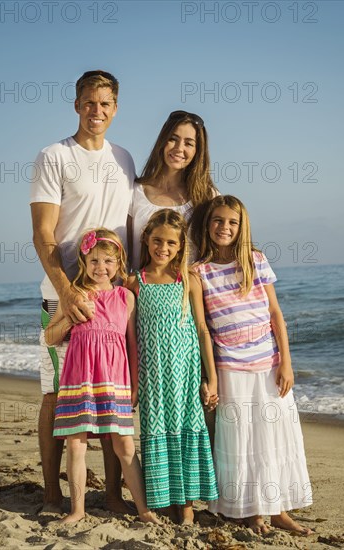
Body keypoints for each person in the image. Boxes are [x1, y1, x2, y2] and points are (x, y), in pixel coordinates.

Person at [30, 70, 135, 513]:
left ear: (115, 107)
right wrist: (67, 292)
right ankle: (53, 491)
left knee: (111, 395)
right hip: (63, 297)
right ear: (77, 105)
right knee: (57, 395)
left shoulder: (125, 158)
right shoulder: (54, 156)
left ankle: (111, 493)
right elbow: (43, 234)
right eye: (89, 102)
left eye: (106, 103)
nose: (97, 111)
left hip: (111, 299)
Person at [194, 195, 314, 535]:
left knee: (273, 436)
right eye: (218, 220)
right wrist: (212, 378)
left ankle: (278, 511)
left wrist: (286, 363)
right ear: (208, 225)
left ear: (241, 226)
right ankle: (252, 512)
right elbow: (203, 327)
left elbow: (276, 314)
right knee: (242, 440)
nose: (224, 227)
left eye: (232, 222)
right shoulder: (199, 272)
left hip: (268, 363)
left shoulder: (255, 260)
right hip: (231, 368)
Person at [45, 228, 161, 525]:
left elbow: (132, 344)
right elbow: (49, 337)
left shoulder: (125, 297)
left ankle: (144, 509)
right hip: (78, 379)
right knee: (76, 444)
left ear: (119, 262)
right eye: (94, 261)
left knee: (124, 445)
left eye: (108, 261)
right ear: (84, 261)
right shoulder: (76, 294)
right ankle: (78, 509)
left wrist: (134, 384)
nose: (101, 268)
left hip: (115, 381)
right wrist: (71, 318)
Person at [127, 209, 219, 524]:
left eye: (170, 243)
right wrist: (134, 383)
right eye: (157, 241)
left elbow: (203, 330)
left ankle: (188, 506)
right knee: (156, 431)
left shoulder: (189, 280)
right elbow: (132, 339)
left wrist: (212, 379)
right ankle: (165, 501)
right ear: (146, 240)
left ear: (180, 246)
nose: (162, 248)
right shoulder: (134, 282)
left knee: (188, 430)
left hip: (186, 373)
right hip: (153, 375)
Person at [127, 110, 218, 270]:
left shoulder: (207, 197)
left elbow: (217, 251)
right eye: (173, 139)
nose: (179, 148)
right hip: (141, 292)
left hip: (189, 292)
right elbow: (125, 251)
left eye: (188, 143)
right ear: (162, 141)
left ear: (197, 151)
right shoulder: (135, 191)